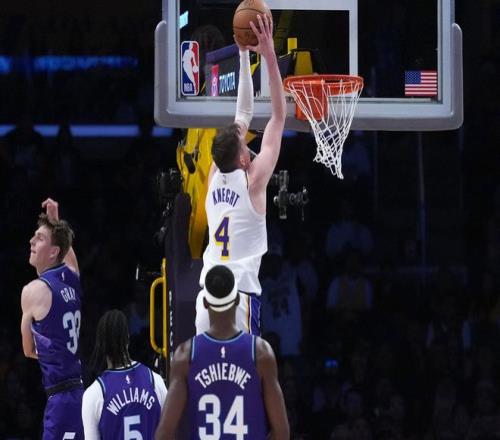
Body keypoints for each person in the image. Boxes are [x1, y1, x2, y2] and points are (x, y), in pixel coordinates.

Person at [196, 13, 287, 335]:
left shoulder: (213, 174)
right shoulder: (254, 180)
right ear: (242, 159)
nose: (248, 144)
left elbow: (243, 113)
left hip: (207, 296)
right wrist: (269, 55)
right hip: (239, 295)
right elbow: (278, 116)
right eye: (245, 146)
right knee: (245, 367)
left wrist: (245, 53)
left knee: (205, 365)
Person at [155, 265, 289, 439]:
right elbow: (282, 432)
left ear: (205, 302)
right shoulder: (261, 352)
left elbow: (164, 434)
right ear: (237, 299)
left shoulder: (185, 355)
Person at [20, 197, 83, 439]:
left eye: (39, 238)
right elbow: (69, 256)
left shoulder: (33, 291)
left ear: (53, 252)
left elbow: (28, 350)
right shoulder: (72, 280)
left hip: (61, 398)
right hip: (79, 391)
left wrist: (55, 352)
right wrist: (56, 222)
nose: (32, 241)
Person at [82, 309, 167, 439]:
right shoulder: (155, 381)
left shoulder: (94, 394)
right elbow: (171, 431)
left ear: (100, 344)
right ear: (128, 338)